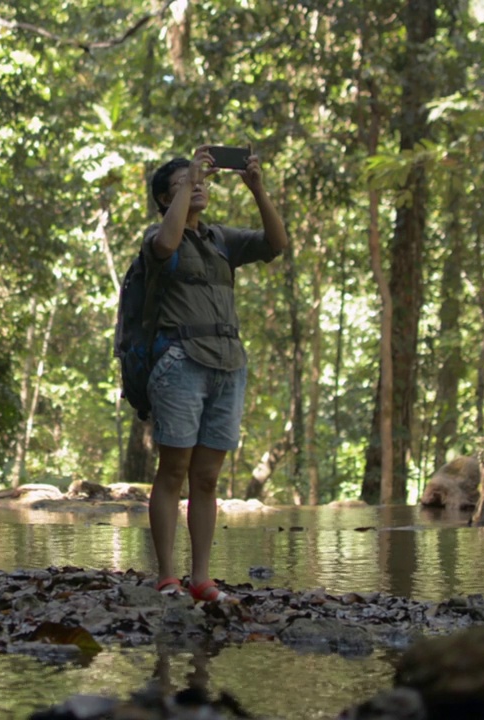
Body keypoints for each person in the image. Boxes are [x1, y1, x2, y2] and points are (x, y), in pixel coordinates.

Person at [143, 145, 287, 603]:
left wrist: (257, 187)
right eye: (184, 183)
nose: (198, 185)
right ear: (166, 199)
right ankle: (167, 576)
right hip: (181, 362)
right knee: (174, 471)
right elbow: (166, 245)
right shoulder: (158, 238)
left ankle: (201, 578)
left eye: (200, 179)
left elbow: (275, 244)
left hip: (228, 366)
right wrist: (185, 185)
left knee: (206, 479)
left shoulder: (220, 239)